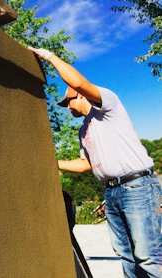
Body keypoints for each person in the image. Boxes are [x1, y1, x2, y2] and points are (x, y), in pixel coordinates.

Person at [28, 46, 162, 278]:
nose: (67, 107)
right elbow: (85, 165)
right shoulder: (83, 131)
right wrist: (50, 161)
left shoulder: (108, 107)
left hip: (137, 187)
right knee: (126, 255)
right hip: (112, 192)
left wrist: (49, 57)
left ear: (79, 95)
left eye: (67, 101)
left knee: (148, 256)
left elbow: (79, 83)